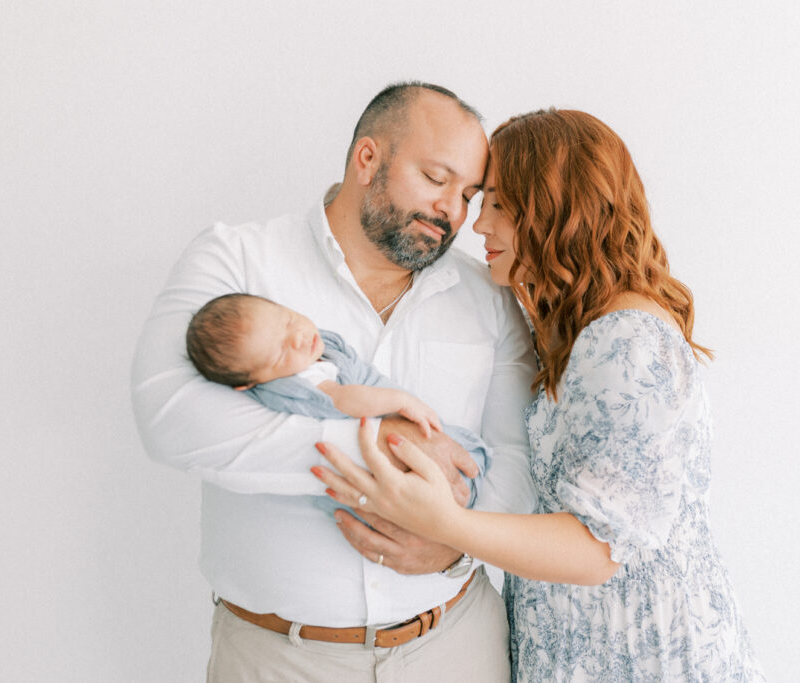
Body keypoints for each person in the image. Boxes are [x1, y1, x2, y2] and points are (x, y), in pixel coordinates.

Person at [314, 109, 767, 681]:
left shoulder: (626, 340)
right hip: (577, 647)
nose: (477, 225)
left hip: (642, 655)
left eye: (499, 204)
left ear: (560, 208)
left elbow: (597, 549)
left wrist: (444, 526)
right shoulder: (567, 323)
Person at [131, 82, 537, 682]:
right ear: (367, 159)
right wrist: (400, 458)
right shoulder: (237, 259)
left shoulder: (489, 296)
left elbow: (519, 460)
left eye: (470, 193)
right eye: (435, 178)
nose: (453, 210)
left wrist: (455, 539)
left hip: (455, 647)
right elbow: (169, 418)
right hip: (276, 659)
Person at [185, 292, 491, 507]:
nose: (299, 338)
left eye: (289, 321)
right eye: (280, 352)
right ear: (249, 383)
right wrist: (400, 401)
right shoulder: (299, 383)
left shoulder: (311, 356)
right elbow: (343, 399)